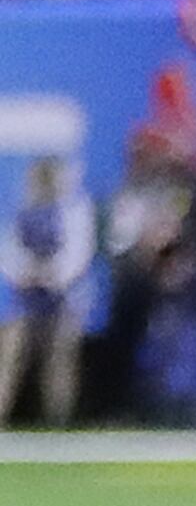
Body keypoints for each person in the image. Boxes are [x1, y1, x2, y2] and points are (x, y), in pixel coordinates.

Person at [0, 152, 92, 424]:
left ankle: (58, 419)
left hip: (63, 296)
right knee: (11, 358)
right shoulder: (23, 212)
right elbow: (9, 251)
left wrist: (52, 274)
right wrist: (27, 272)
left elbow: (78, 253)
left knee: (59, 360)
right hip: (25, 296)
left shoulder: (73, 211)